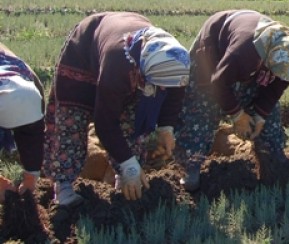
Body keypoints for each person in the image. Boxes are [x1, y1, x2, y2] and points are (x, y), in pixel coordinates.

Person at [43, 12, 190, 206]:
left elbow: (174, 94)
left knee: (134, 122)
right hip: (84, 55)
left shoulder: (175, 61)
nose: (161, 89)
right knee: (73, 122)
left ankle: (124, 181)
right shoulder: (118, 65)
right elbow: (105, 122)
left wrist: (166, 128)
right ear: (142, 73)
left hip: (123, 55)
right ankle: (63, 187)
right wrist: (129, 165)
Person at [177, 10, 289, 191]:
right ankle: (191, 167)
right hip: (213, 58)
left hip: (251, 65)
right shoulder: (245, 52)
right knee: (202, 111)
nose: (280, 77)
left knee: (269, 117)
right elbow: (219, 83)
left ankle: (273, 161)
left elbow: (276, 87)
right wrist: (237, 116)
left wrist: (260, 115)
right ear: (268, 62)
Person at [0, 43, 45, 202]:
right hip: (26, 98)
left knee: (30, 128)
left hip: (27, 98)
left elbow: (34, 135)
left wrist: (31, 176)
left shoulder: (31, 92)